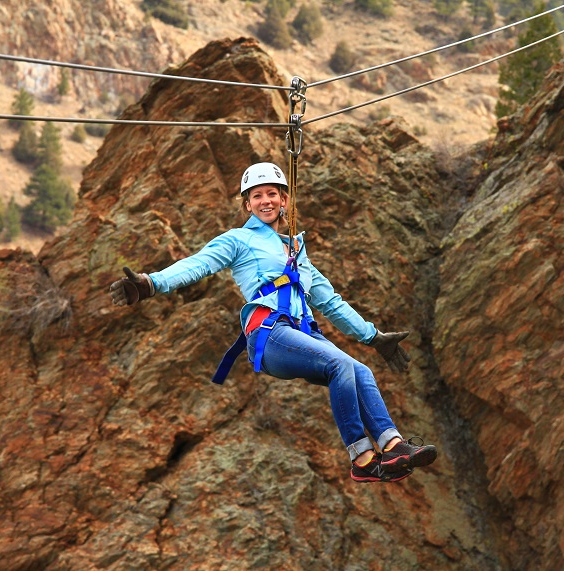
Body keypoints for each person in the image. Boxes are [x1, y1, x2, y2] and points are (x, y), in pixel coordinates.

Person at [109, 162, 437, 483]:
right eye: (257, 196)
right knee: (339, 364)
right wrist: (152, 283)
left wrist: (373, 337)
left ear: (284, 200)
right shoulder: (238, 239)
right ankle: (363, 458)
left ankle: (393, 448)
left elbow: (330, 300)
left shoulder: (297, 249)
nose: (265, 201)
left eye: (272, 194)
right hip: (270, 334)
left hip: (300, 333)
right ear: (247, 204)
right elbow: (198, 265)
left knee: (360, 370)